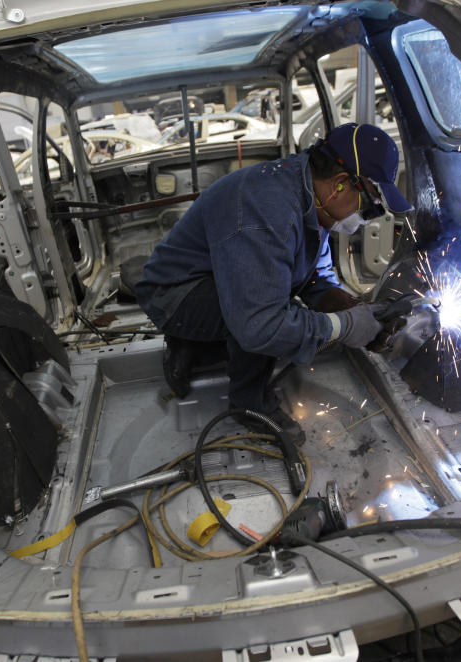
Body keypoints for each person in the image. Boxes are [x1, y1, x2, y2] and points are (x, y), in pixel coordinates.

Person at [135, 123, 413, 442]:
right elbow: (261, 323)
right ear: (340, 184)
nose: (367, 218)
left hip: (215, 278)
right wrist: (343, 327)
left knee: (273, 308)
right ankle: (249, 404)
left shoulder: (310, 196)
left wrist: (357, 312)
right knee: (267, 319)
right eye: (371, 206)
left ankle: (194, 348)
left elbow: (312, 278)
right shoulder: (268, 211)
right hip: (174, 294)